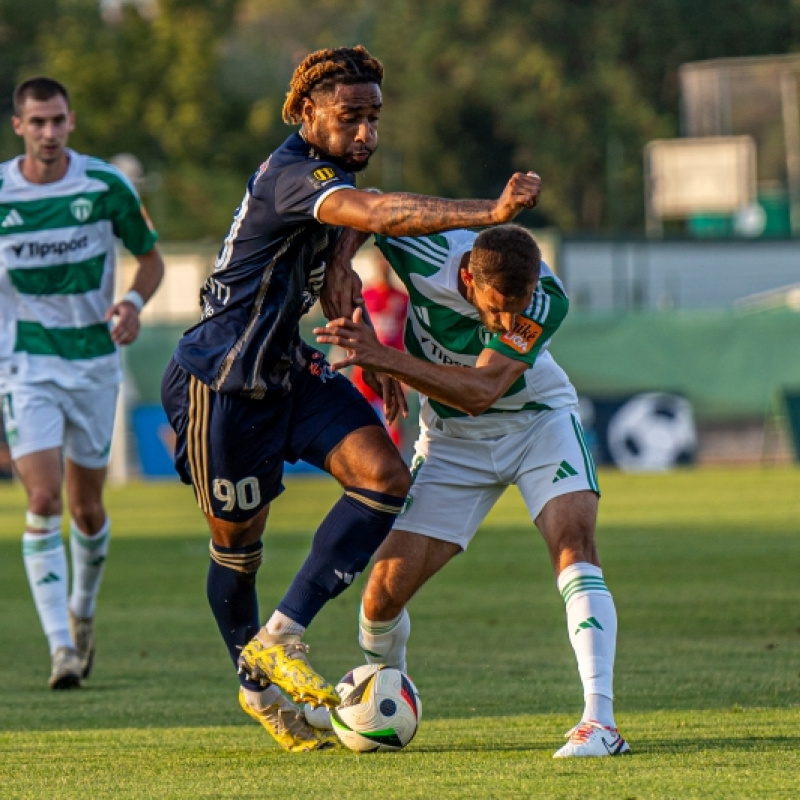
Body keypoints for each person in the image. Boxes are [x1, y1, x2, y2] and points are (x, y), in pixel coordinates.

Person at [159, 44, 542, 753]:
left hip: (289, 370)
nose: (365, 133)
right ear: (306, 112)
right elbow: (379, 214)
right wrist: (487, 211)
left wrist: (365, 333)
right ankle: (258, 687)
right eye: (349, 118)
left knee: (386, 478)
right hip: (224, 382)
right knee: (237, 549)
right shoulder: (291, 176)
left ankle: (282, 635)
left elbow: (339, 263)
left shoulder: (330, 177)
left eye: (374, 118)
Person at [315, 223, 630, 758]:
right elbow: (359, 219)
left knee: (574, 546)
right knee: (379, 600)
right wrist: (343, 265)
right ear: (466, 277)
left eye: (520, 304)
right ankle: (390, 696)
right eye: (497, 306)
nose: (510, 320)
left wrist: (384, 357)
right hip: (451, 444)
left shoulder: (546, 298)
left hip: (538, 424)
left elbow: (482, 392)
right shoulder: (424, 253)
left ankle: (600, 722)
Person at [0, 76, 165, 690]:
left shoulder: (103, 186)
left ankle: (83, 611)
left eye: (57, 120)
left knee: (86, 507)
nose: (48, 132)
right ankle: (61, 648)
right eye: (36, 122)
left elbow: (152, 259)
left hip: (95, 363)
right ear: (18, 126)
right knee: (42, 500)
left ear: (71, 122)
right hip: (25, 364)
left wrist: (129, 303)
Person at [350, 252, 408, 448]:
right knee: (358, 412)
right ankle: (361, 454)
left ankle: (398, 459)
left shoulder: (402, 298)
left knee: (395, 415)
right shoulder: (366, 295)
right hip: (367, 365)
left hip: (393, 364)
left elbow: (407, 333)